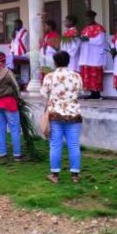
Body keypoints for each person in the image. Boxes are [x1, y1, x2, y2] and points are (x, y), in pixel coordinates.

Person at [41, 51, 83, 184]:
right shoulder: (77, 76)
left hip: (55, 115)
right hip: (74, 115)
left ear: (55, 62)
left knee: (55, 145)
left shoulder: (49, 77)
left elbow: (44, 93)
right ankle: (75, 176)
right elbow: (80, 91)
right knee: (74, 145)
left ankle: (55, 175)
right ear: (68, 61)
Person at [0, 51, 22, 160]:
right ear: (5, 60)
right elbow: (16, 87)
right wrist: (19, 99)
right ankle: (17, 155)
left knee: (0, 129)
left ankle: (3, 154)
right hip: (9, 103)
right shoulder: (7, 72)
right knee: (14, 130)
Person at [79, 10, 106, 100]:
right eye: (86, 18)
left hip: (95, 55)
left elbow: (100, 41)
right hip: (86, 55)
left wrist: (89, 39)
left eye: (89, 17)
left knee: (95, 74)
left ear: (93, 17)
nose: (87, 19)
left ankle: (97, 94)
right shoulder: (85, 29)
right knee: (88, 75)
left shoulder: (99, 28)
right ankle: (91, 93)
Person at [8, 19, 30, 85]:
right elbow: (13, 43)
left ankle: (25, 81)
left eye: (16, 24)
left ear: (20, 24)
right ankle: (15, 80)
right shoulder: (16, 33)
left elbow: (21, 41)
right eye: (14, 25)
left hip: (23, 53)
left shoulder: (24, 32)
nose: (14, 26)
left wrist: (15, 36)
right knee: (13, 67)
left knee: (24, 66)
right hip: (15, 54)